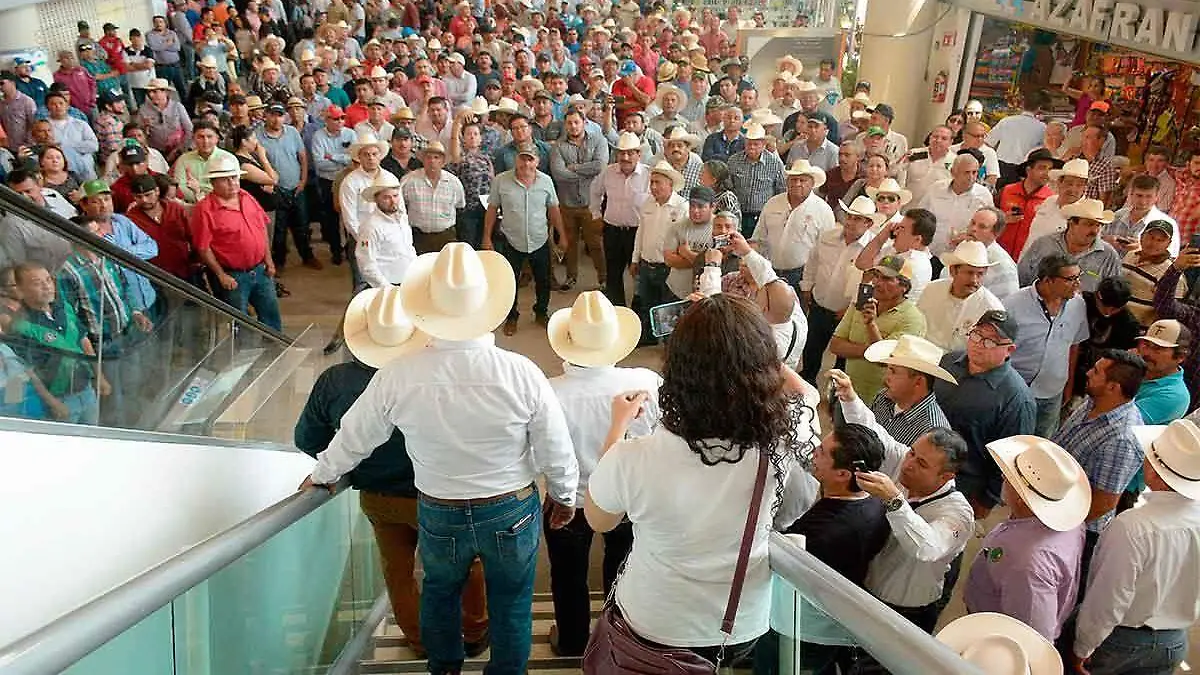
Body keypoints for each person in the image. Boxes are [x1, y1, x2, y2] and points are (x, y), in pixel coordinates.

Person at [302, 243, 579, 675]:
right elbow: (554, 445)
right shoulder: (521, 371)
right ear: (485, 305)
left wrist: (322, 474)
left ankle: (445, 668)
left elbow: (355, 436)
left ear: (427, 308)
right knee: (511, 602)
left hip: (438, 508)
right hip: (510, 508)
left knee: (439, 593)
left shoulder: (399, 373)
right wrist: (563, 496)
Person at [587, 293, 816, 666]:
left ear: (676, 371)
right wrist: (748, 348)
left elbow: (601, 519)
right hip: (738, 623)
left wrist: (617, 428)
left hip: (653, 622)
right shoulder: (786, 443)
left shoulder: (634, 457)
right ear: (764, 370)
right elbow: (806, 392)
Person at [294, 287, 487, 661]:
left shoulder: (334, 382)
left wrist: (335, 467)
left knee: (398, 572)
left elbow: (308, 439)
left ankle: (419, 641)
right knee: (466, 561)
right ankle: (474, 630)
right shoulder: (435, 372)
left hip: (379, 497)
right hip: (441, 494)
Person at [543, 291, 659, 656]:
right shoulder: (645, 382)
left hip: (568, 499)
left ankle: (573, 640)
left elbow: (538, 454)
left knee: (567, 575)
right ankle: (617, 640)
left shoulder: (548, 392)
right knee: (622, 570)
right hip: (626, 498)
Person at [828, 366, 971, 633]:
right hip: (868, 590)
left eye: (922, 463)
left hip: (906, 612)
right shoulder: (905, 461)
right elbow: (877, 435)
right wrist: (849, 398)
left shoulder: (958, 513)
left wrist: (895, 501)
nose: (909, 465)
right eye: (912, 453)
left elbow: (928, 548)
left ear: (945, 476)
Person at [1071, 419, 1200, 675]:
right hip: (1174, 640)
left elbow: (1108, 601)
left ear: (1153, 470)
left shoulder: (1132, 527)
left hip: (1123, 642)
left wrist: (1082, 647)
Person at [781, 415, 889, 672]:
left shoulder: (823, 531)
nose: (814, 454)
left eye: (821, 452)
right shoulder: (875, 503)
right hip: (840, 620)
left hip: (807, 627)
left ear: (842, 473)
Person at [963, 435, 1091, 642]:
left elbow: (1033, 634)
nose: (1003, 480)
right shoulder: (1070, 524)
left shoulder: (1028, 564)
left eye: (1008, 479)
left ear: (1022, 499)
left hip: (994, 637)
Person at [936, 311, 1037, 517]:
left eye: (991, 342)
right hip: (923, 466)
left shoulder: (1017, 399)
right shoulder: (948, 362)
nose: (979, 344)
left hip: (963, 485)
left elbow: (1009, 459)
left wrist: (987, 500)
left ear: (1009, 350)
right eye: (976, 335)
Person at [190, 153, 281, 331]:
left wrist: (268, 261)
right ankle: (244, 354)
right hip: (234, 276)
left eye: (234, 177)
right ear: (213, 182)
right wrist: (221, 275)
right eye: (226, 180)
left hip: (260, 270)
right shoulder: (205, 209)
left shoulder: (246, 197)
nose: (232, 183)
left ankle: (275, 348)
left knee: (271, 315)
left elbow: (261, 229)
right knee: (240, 322)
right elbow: (203, 247)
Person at [484, 145, 564, 335]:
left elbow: (553, 210)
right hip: (511, 240)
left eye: (530, 159)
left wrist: (563, 236)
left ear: (537, 162)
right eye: (522, 159)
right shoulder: (500, 181)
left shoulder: (546, 182)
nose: (526, 164)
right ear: (515, 160)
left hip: (539, 239)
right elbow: (492, 209)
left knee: (543, 281)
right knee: (510, 282)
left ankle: (541, 312)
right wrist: (486, 237)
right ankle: (511, 317)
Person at [799, 195, 880, 384]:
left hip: (846, 313)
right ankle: (807, 382)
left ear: (868, 223)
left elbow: (872, 285)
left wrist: (853, 309)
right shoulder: (828, 236)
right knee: (811, 350)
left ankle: (836, 395)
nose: (850, 221)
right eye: (850, 216)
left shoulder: (873, 249)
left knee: (842, 361)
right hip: (819, 304)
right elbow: (812, 261)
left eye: (857, 218)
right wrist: (807, 287)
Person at [1008, 253, 1090, 437]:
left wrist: (1068, 387)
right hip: (1014, 391)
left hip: (1052, 393)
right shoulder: (1013, 304)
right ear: (1047, 280)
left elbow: (1074, 346)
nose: (1077, 284)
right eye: (1070, 279)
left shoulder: (1078, 305)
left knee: (1040, 444)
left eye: (1079, 277)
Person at [830, 254, 927, 403]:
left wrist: (871, 325)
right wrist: (870, 351)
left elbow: (885, 361)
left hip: (881, 402)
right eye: (876, 276)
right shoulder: (860, 305)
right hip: (847, 393)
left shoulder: (913, 319)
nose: (877, 283)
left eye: (887, 279)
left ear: (904, 286)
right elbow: (836, 346)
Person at [751, 159, 835, 288]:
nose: (797, 183)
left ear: (812, 183)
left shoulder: (823, 210)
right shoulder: (773, 203)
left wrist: (810, 283)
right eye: (793, 179)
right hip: (770, 271)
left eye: (802, 180)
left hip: (802, 275)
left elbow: (826, 252)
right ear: (787, 182)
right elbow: (759, 237)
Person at [549, 109, 608, 290]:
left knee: (596, 244)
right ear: (565, 125)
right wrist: (585, 174)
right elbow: (559, 174)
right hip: (567, 204)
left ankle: (604, 279)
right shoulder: (558, 146)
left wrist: (574, 168)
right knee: (570, 244)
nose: (573, 126)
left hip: (592, 203)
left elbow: (600, 166)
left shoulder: (599, 140)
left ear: (584, 122)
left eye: (576, 122)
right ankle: (571, 277)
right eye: (569, 123)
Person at [589, 132, 649, 307]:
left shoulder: (648, 175)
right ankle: (617, 310)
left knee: (638, 276)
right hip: (612, 231)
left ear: (639, 154)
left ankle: (638, 314)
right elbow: (595, 191)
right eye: (622, 152)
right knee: (613, 274)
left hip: (637, 233)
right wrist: (596, 215)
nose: (625, 157)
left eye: (630, 152)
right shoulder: (608, 172)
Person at [258, 102, 318, 270]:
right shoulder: (258, 136)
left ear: (284, 117)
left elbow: (303, 157)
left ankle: (307, 256)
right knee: (279, 229)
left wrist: (303, 180)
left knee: (303, 225)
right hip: (275, 190)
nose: (276, 119)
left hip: (296, 187)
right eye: (273, 115)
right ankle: (279, 262)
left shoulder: (292, 132)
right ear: (266, 116)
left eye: (279, 115)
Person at [1019, 198, 1122, 294]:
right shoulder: (1044, 244)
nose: (1094, 231)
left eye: (1098, 225)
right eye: (1089, 224)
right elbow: (1021, 278)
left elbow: (1112, 293)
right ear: (1072, 223)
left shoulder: (1108, 256)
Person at [919, 241, 1005, 352]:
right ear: (953, 271)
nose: (974, 280)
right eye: (969, 273)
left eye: (980, 274)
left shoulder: (991, 308)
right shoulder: (932, 289)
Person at [918, 153, 994, 258]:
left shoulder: (984, 195)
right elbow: (920, 216)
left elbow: (990, 230)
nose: (971, 177)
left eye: (974, 172)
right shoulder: (936, 189)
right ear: (953, 172)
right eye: (967, 172)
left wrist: (970, 238)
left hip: (962, 256)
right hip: (930, 253)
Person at [853, 206, 935, 302]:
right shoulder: (895, 250)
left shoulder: (915, 263)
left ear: (917, 239)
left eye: (902, 228)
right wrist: (884, 233)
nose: (895, 232)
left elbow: (879, 294)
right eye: (898, 227)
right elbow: (862, 264)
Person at [310, 105, 356, 264]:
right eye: (336, 119)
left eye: (342, 118)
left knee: (350, 216)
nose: (340, 121)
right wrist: (344, 160)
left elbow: (354, 160)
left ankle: (351, 251)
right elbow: (319, 163)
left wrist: (334, 157)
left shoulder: (351, 134)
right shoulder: (318, 136)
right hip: (327, 181)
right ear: (327, 120)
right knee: (330, 218)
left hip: (348, 180)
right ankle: (336, 251)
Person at [402, 142, 465, 255]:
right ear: (423, 160)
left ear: (442, 161)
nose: (432, 161)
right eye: (428, 157)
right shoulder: (409, 181)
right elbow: (401, 206)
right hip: (418, 237)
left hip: (446, 237)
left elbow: (460, 205)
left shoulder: (454, 182)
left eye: (436, 157)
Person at [355, 172, 415, 288]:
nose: (393, 201)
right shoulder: (370, 227)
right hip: (387, 285)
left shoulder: (402, 218)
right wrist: (387, 288)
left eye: (395, 196)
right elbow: (366, 264)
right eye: (386, 197)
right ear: (376, 200)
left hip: (407, 280)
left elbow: (409, 248)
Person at [1022, 158, 1090, 259]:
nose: (1073, 189)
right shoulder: (1049, 202)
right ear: (1059, 182)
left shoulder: (1087, 215)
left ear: (1085, 188)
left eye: (1079, 185)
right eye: (1069, 183)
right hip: (1025, 263)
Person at [997, 148, 1060, 258]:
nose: (1047, 173)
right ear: (1028, 170)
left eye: (1050, 169)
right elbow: (989, 218)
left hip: (1027, 258)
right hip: (999, 254)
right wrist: (1003, 219)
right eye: (1042, 168)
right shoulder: (1006, 191)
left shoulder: (1051, 200)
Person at [1123, 220, 1186, 327]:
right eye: (1151, 237)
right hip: (1114, 321)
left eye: (1160, 240)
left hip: (1139, 330)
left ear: (1168, 243)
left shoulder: (1173, 275)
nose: (1153, 243)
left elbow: (1170, 314)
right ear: (1142, 236)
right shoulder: (1130, 255)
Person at [986, 91, 1047, 191]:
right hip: (1021, 170)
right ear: (1039, 108)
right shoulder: (1042, 128)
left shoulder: (1007, 121)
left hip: (1001, 167)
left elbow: (989, 143)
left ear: (1022, 104)